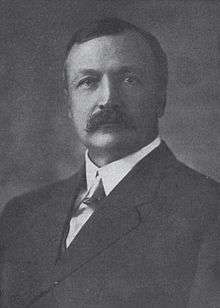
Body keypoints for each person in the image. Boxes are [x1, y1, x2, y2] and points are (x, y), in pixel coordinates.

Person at [0, 17, 219, 308]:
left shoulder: (208, 209)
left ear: (161, 97)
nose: (107, 99)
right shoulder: (20, 215)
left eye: (129, 79)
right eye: (88, 82)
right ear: (69, 104)